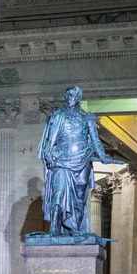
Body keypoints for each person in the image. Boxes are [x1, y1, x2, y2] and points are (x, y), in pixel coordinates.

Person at [37, 86, 112, 236]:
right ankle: (55, 228)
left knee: (79, 197)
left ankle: (75, 228)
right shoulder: (57, 116)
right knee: (59, 192)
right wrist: (49, 154)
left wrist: (103, 155)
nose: (68, 98)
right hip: (62, 160)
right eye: (67, 95)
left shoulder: (87, 118)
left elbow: (95, 139)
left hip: (82, 161)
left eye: (72, 95)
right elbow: (49, 140)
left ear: (79, 97)